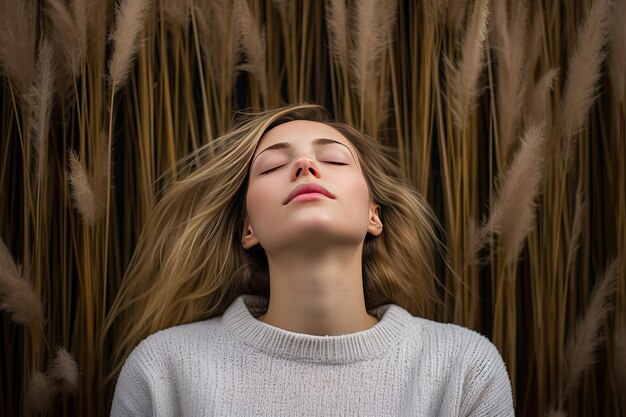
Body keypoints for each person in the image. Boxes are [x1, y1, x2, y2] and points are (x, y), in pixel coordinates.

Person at [105, 104, 515, 416]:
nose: (305, 166)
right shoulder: (164, 371)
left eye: (334, 159)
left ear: (374, 214)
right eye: (272, 167)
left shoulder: (463, 368)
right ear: (248, 228)